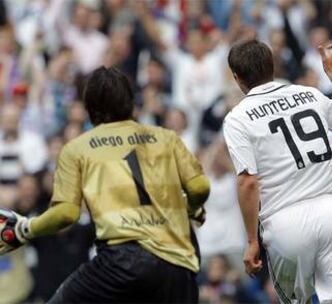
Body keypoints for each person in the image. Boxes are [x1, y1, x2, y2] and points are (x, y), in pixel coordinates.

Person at [0, 67, 210, 303]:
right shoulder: (166, 138)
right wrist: (191, 206)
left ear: (89, 108)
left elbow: (66, 214)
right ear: (131, 102)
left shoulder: (78, 149)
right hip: (178, 262)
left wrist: (25, 228)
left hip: (121, 260)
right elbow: (200, 188)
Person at [223, 34, 332, 304]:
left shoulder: (238, 118)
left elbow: (248, 182)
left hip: (285, 223)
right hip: (331, 212)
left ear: (237, 77)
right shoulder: (309, 94)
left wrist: (251, 241)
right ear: (272, 65)